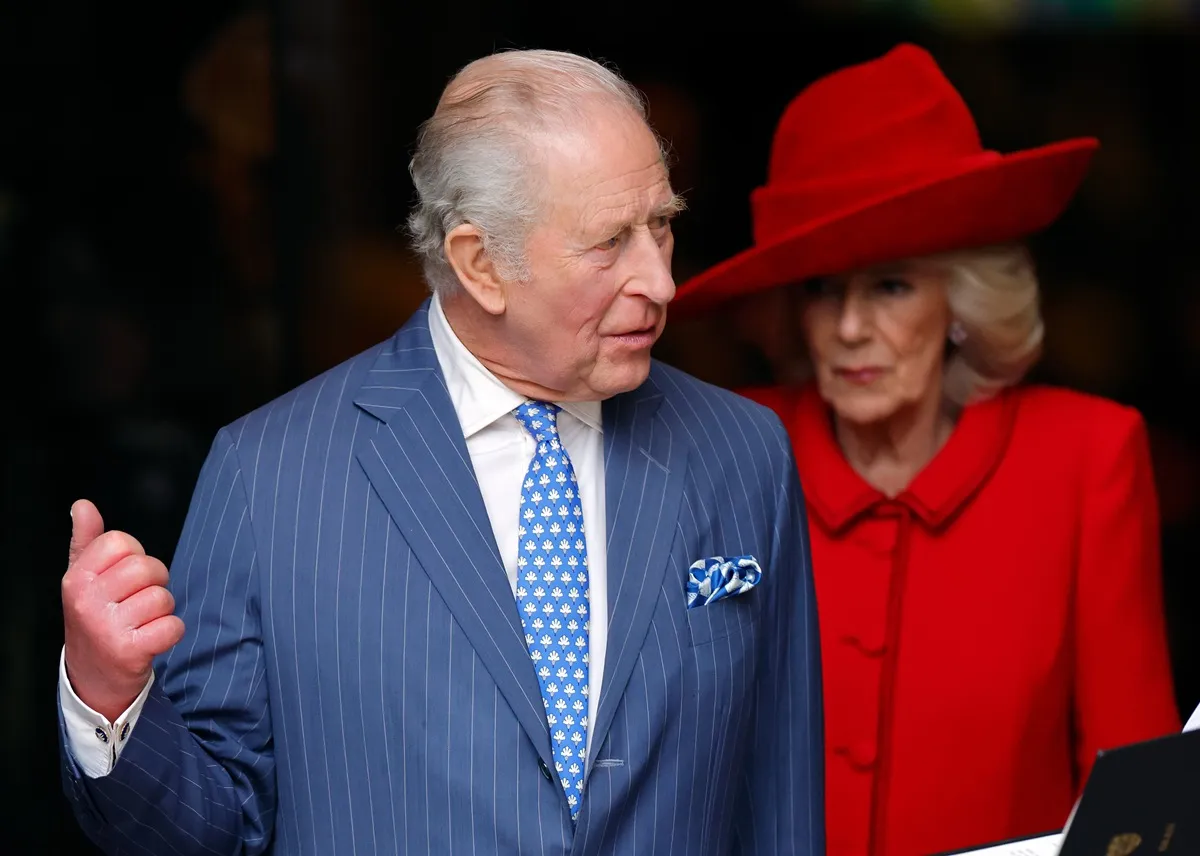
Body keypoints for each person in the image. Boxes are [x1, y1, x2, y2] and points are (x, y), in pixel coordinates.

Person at [57, 49, 824, 855]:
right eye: (610, 242)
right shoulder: (272, 477)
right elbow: (210, 831)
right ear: (480, 264)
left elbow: (780, 804)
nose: (662, 282)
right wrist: (109, 699)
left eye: (661, 225)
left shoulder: (743, 452)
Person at [671, 43, 1180, 856]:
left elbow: (1139, 798)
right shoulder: (724, 448)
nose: (847, 328)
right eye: (821, 289)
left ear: (962, 302)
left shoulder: (1086, 457)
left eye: (891, 286)